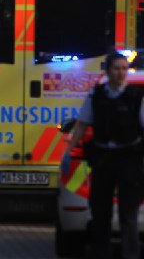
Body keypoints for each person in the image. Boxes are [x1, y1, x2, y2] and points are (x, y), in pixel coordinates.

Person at [61, 52, 144, 259]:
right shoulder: (96, 95)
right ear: (107, 71)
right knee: (100, 213)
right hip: (103, 159)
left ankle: (130, 255)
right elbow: (82, 125)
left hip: (128, 159)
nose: (121, 73)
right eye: (116, 68)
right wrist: (68, 151)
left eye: (124, 69)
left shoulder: (136, 97)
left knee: (128, 214)